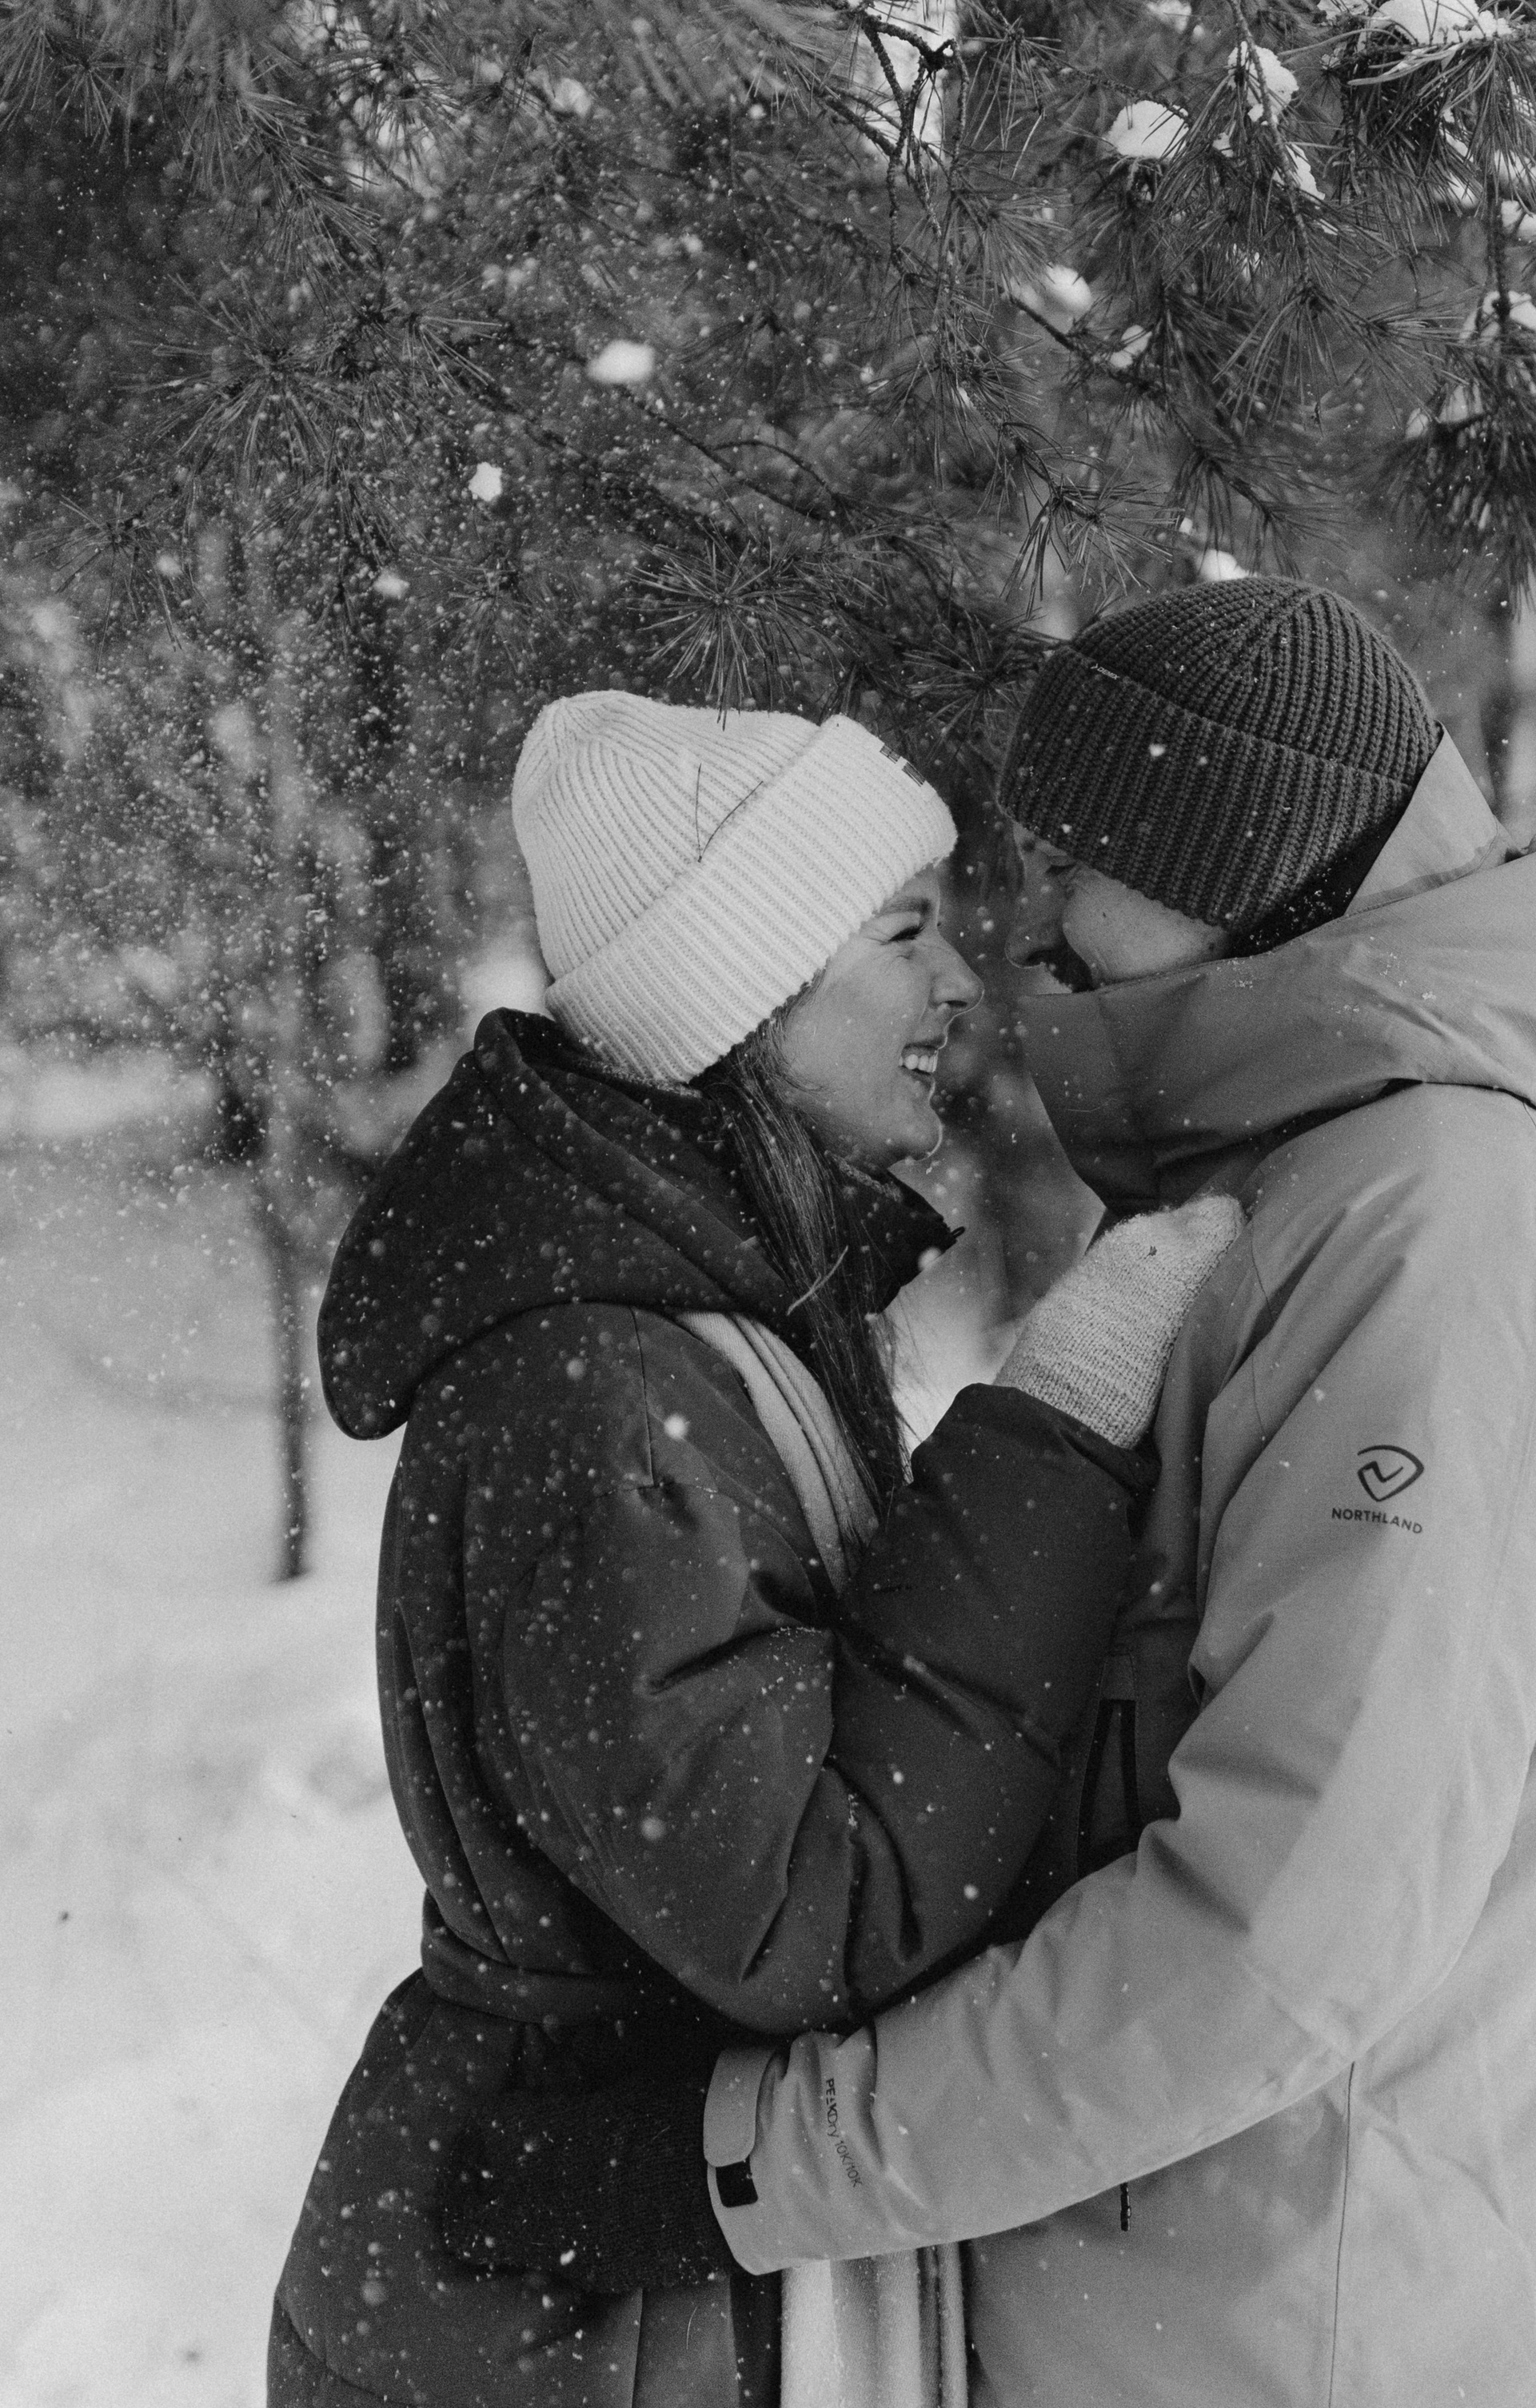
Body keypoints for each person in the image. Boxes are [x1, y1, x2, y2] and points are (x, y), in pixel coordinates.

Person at [445, 581, 1536, 2408]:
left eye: (1076, 858)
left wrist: (755, 2164)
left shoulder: (1444, 1235)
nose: (1025, 930)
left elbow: (1278, 1940)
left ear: (1221, 861)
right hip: (1137, 2297)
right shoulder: (1307, 1180)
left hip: (1253, 2335)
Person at [267, 692, 1241, 2408]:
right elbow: (814, 1901)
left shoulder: (712, 1322)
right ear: (740, 995)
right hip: (578, 2308)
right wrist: (1058, 1425)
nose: (957, 982)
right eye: (897, 933)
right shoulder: (598, 1384)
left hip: (614, 2274)